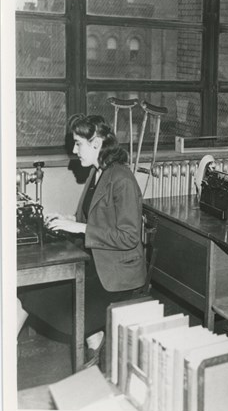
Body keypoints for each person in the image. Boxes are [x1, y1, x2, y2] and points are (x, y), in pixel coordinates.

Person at [21, 114, 146, 366]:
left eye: (78, 143)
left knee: (45, 298)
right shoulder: (96, 174)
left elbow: (130, 236)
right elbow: (90, 220)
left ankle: (93, 343)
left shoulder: (122, 179)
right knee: (31, 290)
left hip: (116, 278)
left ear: (97, 143)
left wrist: (77, 227)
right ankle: (95, 342)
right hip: (96, 264)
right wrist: (66, 219)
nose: (74, 150)